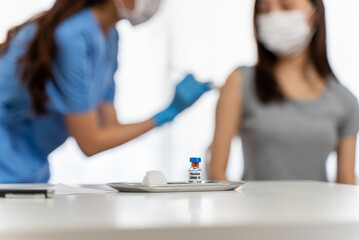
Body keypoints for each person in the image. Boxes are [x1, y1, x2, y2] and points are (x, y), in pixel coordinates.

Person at [0, 0, 212, 183]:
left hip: (29, 170)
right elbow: (90, 143)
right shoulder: (73, 35)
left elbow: (108, 127)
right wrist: (168, 113)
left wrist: (169, 112)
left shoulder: (109, 38)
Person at [209, 0, 359, 184]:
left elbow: (346, 183)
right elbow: (216, 174)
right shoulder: (241, 81)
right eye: (264, 10)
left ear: (315, 13)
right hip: (254, 212)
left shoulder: (344, 100)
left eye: (286, 7)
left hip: (320, 212)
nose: (273, 16)